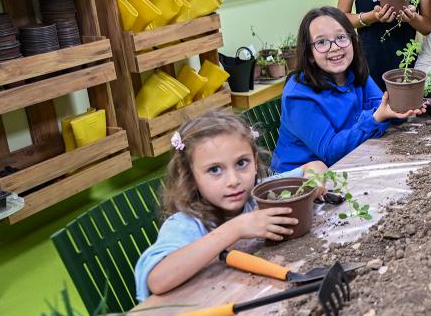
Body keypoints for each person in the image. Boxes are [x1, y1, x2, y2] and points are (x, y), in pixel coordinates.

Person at [133, 110, 327, 299]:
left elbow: (314, 166)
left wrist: (314, 181)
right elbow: (157, 280)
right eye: (215, 169)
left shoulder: (258, 194)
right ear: (191, 177)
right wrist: (236, 228)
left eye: (242, 163)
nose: (233, 180)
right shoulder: (186, 222)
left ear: (255, 161)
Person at [271, 6, 424, 171]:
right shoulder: (299, 95)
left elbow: (384, 110)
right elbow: (331, 152)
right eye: (321, 42)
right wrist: (374, 118)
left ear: (353, 40)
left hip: (352, 161)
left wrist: (401, 110)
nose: (335, 47)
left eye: (341, 37)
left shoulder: (355, 73)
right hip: (300, 183)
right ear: (309, 54)